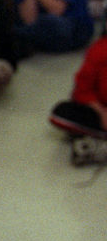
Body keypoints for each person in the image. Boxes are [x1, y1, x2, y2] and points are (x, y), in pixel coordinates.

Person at [49, 34, 107, 164]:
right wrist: (102, 112)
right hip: (100, 110)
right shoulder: (99, 49)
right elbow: (82, 91)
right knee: (62, 112)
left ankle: (97, 145)